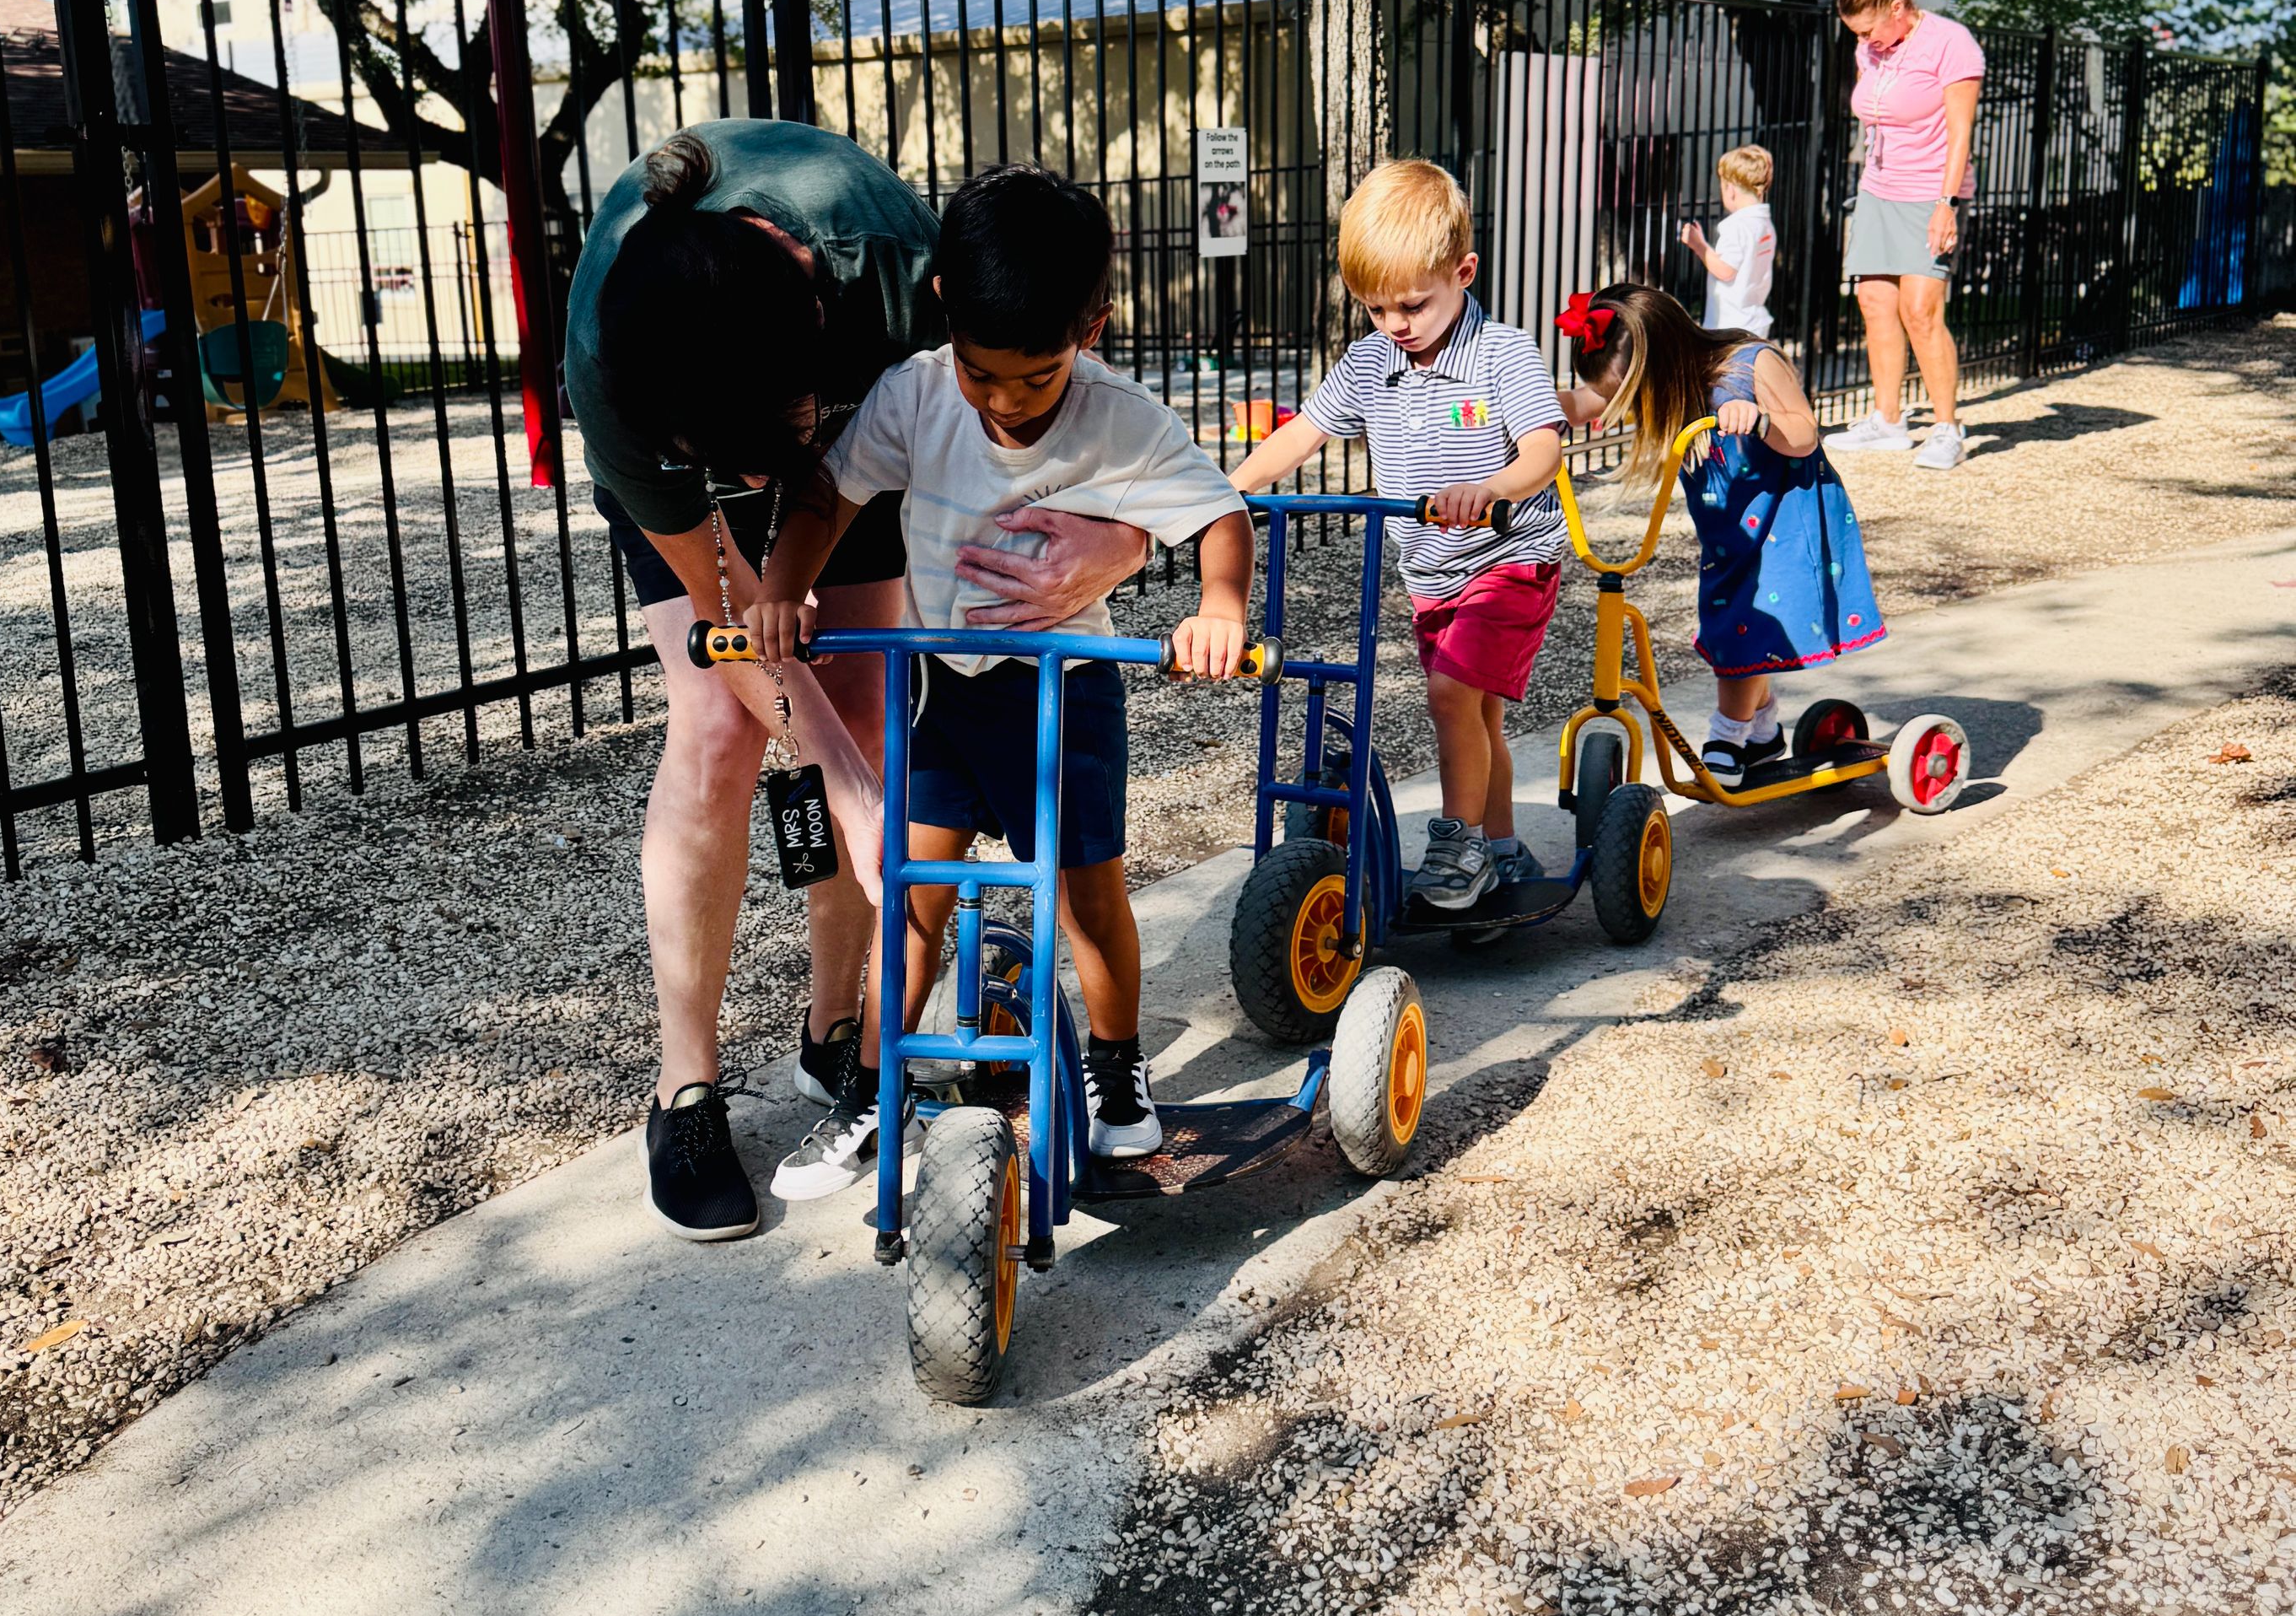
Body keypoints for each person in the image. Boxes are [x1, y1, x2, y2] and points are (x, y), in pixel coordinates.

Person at [566, 117, 1151, 1245]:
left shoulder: (886, 270)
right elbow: (730, 619)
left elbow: (1047, 399)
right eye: (728, 459)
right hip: (694, 461)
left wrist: (1114, 541)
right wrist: (840, 775)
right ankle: (682, 1089)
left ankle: (840, 1035)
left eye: (767, 445)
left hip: (849, 466)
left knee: (877, 702)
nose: (752, 479)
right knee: (715, 731)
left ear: (815, 320)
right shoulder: (617, 356)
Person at [749, 169, 1253, 1208]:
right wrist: (783, 588)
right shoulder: (920, 393)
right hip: (941, 690)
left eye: (1036, 377)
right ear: (944, 309)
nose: (1007, 402)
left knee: (1086, 897)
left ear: (1092, 327)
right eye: (986, 375)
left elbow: (1218, 516)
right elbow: (827, 489)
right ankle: (874, 1086)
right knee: (915, 898)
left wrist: (1219, 608)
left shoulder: (1120, 419)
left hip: (1062, 693)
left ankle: (1116, 1074)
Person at [1228, 159, 1566, 911]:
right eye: (1374, 309)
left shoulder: (1502, 353)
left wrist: (1493, 487)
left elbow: (1543, 448)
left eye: (1411, 304)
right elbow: (1303, 433)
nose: (1395, 325)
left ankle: (1460, 844)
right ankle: (1502, 847)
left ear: (1463, 270)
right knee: (1476, 714)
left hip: (1509, 555)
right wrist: (1227, 490)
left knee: (1450, 696)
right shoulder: (1371, 360)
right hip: (1431, 568)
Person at [1556, 283, 1884, 781]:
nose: (1631, 406)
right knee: (1734, 629)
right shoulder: (1663, 382)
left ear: (1665, 361)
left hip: (1783, 520)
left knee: (1745, 628)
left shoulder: (1749, 364)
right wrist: (1529, 414)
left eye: (1633, 393)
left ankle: (1729, 734)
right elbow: (1580, 405)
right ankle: (1763, 726)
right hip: (1730, 530)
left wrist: (1760, 420)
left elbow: (1803, 433)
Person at [1824, 0, 1985, 471]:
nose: (1864, 43)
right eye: (1857, 36)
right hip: (1878, 188)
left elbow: (1961, 132)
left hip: (1928, 192)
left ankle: (1946, 428)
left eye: (1868, 31)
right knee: (1873, 302)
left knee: (1921, 311)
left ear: (1898, 8)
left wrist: (1947, 204)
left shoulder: (1950, 44)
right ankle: (1889, 422)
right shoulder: (1870, 48)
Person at [1680, 142, 1777, 339]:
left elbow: (1726, 270)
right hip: (1754, 321)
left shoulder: (1736, 226)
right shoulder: (1764, 224)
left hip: (1730, 325)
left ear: (1730, 189)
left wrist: (1699, 246)